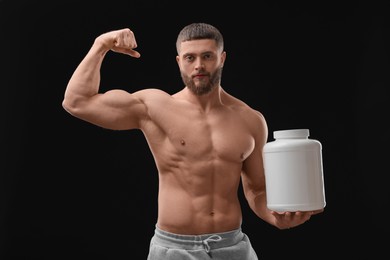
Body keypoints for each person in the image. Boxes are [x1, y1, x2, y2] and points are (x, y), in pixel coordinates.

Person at [62, 22, 323, 260]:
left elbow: (256, 190)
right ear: (179, 62)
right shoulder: (154, 107)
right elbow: (77, 102)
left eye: (207, 56)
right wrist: (101, 45)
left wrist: (276, 218)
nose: (199, 65)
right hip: (174, 249)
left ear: (221, 59)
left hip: (233, 247)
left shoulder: (251, 120)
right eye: (190, 57)